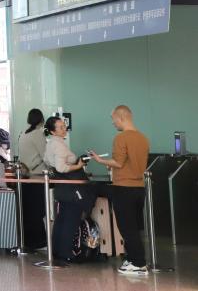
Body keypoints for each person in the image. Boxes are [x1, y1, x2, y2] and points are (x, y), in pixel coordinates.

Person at [89, 105, 150, 276]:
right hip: (139, 188)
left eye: (113, 119)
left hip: (124, 188)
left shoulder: (121, 138)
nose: (113, 122)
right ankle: (132, 259)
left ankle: (138, 263)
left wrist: (99, 160)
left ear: (121, 117)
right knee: (134, 227)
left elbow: (118, 162)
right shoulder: (143, 138)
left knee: (126, 228)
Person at [43, 116, 93, 263]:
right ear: (53, 131)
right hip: (70, 187)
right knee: (71, 219)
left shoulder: (51, 143)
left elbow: (48, 161)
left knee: (62, 218)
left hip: (62, 187)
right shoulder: (59, 145)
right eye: (60, 127)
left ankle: (57, 250)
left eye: (64, 126)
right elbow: (61, 167)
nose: (64, 129)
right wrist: (78, 165)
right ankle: (65, 252)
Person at [16, 108, 47, 250]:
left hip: (24, 176)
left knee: (28, 210)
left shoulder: (23, 133)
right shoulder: (38, 134)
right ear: (41, 120)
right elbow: (46, 155)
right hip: (37, 176)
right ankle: (39, 242)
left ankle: (28, 241)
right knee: (37, 210)